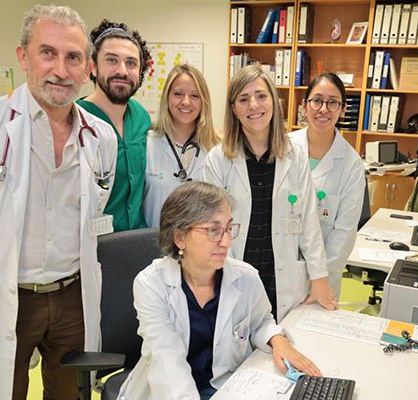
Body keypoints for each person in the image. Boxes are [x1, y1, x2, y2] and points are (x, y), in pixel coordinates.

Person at [0, 5, 117, 399]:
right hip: (6, 293)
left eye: (73, 57)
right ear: (23, 57)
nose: (61, 69)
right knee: (2, 391)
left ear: (87, 69)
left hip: (72, 297)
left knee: (69, 393)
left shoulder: (101, 138)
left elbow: (95, 208)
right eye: (48, 52)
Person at [119, 181, 321, 399]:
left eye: (228, 228)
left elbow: (261, 322)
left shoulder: (246, 277)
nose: (226, 241)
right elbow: (166, 360)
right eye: (213, 230)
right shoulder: (152, 284)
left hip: (225, 386)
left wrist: (277, 340)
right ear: (179, 237)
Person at [203, 65, 337, 323]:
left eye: (261, 96)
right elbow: (212, 229)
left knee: (280, 347)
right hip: (236, 268)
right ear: (233, 109)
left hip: (282, 275)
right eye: (243, 99)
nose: (253, 105)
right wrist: (220, 278)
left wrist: (319, 278)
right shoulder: (218, 160)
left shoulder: (295, 155)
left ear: (274, 102)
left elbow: (309, 221)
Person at [288, 73, 366, 297]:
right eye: (317, 100)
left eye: (333, 102)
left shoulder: (351, 165)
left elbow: (344, 233)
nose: (323, 109)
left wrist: (321, 278)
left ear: (342, 110)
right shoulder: (283, 147)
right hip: (279, 268)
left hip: (322, 279)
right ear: (305, 106)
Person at [78, 20, 152, 231]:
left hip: (136, 241)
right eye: (111, 60)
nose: (122, 71)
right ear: (92, 67)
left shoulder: (141, 118)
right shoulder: (75, 121)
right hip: (90, 246)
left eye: (131, 63)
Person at [143, 64, 219, 227]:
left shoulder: (216, 148)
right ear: (167, 98)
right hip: (151, 245)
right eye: (178, 94)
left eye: (194, 95)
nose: (186, 102)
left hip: (199, 248)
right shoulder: (147, 143)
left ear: (203, 101)